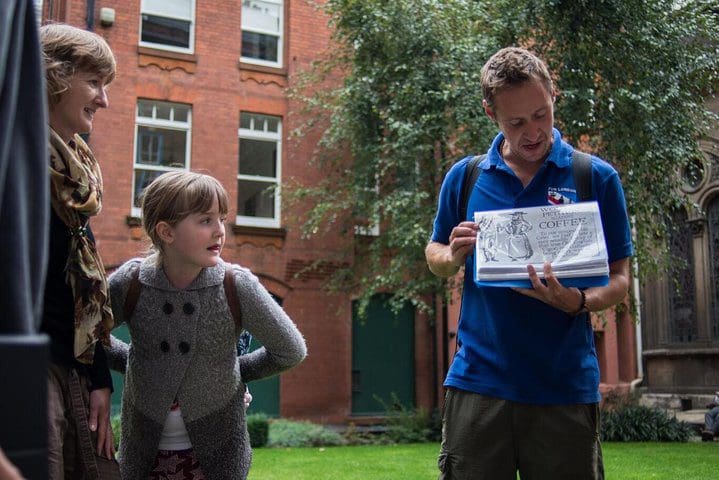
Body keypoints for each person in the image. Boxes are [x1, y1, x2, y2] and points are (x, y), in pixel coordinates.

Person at [425, 47, 633, 479]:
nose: (533, 132)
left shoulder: (593, 177)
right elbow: (435, 254)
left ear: (553, 95)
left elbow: (620, 279)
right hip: (478, 385)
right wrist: (451, 255)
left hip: (563, 389)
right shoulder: (466, 177)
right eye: (516, 122)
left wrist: (577, 301)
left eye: (541, 114)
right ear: (490, 113)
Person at [107, 171, 307, 480]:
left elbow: (290, 350)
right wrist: (137, 361)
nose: (219, 231)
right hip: (143, 455)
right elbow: (88, 335)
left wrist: (233, 371)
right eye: (205, 221)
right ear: (166, 232)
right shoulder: (131, 283)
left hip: (216, 457)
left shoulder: (236, 285)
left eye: (222, 219)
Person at [39, 23, 117, 479]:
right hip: (25, 362)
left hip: (73, 367)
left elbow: (83, 286)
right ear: (55, 75)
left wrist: (99, 379)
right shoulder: (16, 159)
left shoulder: (76, 173)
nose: (103, 100)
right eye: (94, 83)